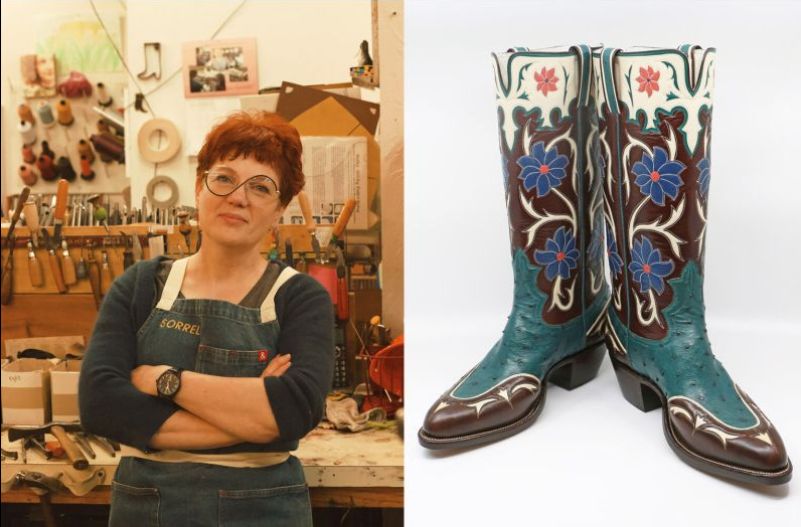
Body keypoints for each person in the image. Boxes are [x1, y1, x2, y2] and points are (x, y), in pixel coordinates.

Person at [79, 111, 334, 526]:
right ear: (199, 187)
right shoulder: (141, 287)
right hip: (147, 506)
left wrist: (166, 380)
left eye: (261, 187)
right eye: (224, 178)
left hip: (264, 507)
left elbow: (295, 411)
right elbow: (101, 405)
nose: (238, 197)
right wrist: (254, 417)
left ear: (279, 210)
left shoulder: (300, 298)